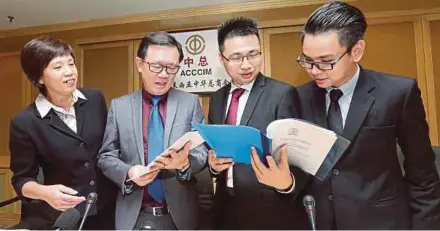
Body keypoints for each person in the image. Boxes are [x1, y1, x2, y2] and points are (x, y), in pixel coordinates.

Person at [296, 1, 440, 229]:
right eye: (307, 61)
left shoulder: (397, 93)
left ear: (356, 51)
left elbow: (423, 175)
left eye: (326, 62)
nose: (314, 70)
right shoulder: (298, 97)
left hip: (382, 223)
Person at [97, 31, 207, 230]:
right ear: (140, 64)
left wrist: (184, 164)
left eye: (171, 67)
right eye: (156, 66)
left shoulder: (190, 103)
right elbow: (106, 156)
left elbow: (201, 152)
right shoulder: (119, 106)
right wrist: (128, 172)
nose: (164, 74)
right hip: (133, 214)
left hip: (179, 217)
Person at [207, 17, 309, 229]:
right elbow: (214, 150)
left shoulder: (283, 94)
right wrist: (214, 167)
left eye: (253, 54)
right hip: (225, 209)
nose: (247, 64)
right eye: (236, 57)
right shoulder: (216, 98)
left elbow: (298, 160)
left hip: (268, 211)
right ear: (222, 58)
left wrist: (287, 184)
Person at [9, 36, 116, 230]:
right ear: (39, 78)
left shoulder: (95, 99)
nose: (69, 72)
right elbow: (21, 180)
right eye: (58, 67)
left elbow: (109, 148)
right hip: (67, 215)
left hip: (108, 209)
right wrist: (45, 193)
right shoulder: (25, 122)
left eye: (71, 63)